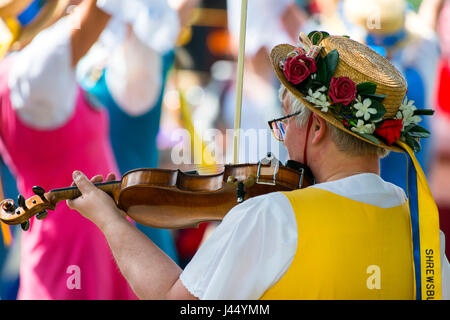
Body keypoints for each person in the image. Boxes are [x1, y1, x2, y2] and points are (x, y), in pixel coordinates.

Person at [67, 33, 450, 299]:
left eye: (285, 124)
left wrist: (111, 222)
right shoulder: (423, 229)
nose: (282, 139)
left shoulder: (275, 216)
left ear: (316, 128)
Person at [0, 0, 138, 299]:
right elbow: (98, 13)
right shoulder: (32, 73)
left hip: (88, 251)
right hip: (68, 263)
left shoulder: (32, 70)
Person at [76, 0, 200, 266]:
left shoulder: (137, 53)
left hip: (131, 240)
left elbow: (171, 19)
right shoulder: (94, 52)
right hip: (85, 235)